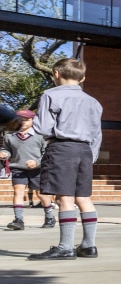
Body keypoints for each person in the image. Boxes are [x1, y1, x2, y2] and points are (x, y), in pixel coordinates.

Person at [29, 58, 103, 260]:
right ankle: (89, 246)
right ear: (83, 78)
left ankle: (65, 247)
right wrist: (92, 156)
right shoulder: (93, 102)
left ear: (56, 74)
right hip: (85, 150)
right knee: (84, 198)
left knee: (65, 198)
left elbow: (43, 127)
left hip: (62, 148)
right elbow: (97, 133)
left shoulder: (50, 95)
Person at [1, 109, 55, 230]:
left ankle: (49, 217)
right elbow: (7, 150)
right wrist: (4, 154)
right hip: (18, 168)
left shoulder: (40, 136)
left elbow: (47, 154)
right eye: (21, 120)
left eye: (27, 120)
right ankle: (19, 220)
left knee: (41, 194)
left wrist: (36, 162)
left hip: (37, 169)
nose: (24, 122)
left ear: (32, 121)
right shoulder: (9, 136)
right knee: (18, 191)